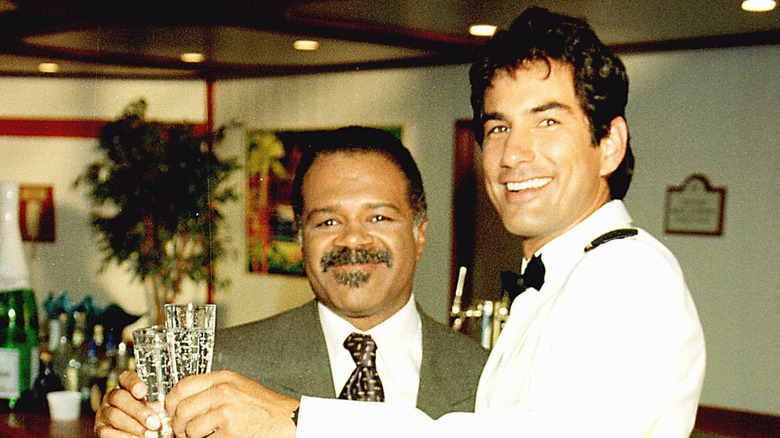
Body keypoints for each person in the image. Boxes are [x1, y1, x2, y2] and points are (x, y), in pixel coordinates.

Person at [170, 7, 705, 438]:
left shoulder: (629, 275)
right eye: (498, 127)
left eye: (547, 120)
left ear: (609, 144)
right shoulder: (558, 281)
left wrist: (295, 421)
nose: (515, 153)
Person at [93, 126, 489, 438]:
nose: (352, 239)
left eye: (379, 218)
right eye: (327, 222)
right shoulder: (217, 368)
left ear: (420, 234)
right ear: (300, 240)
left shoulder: (488, 377)